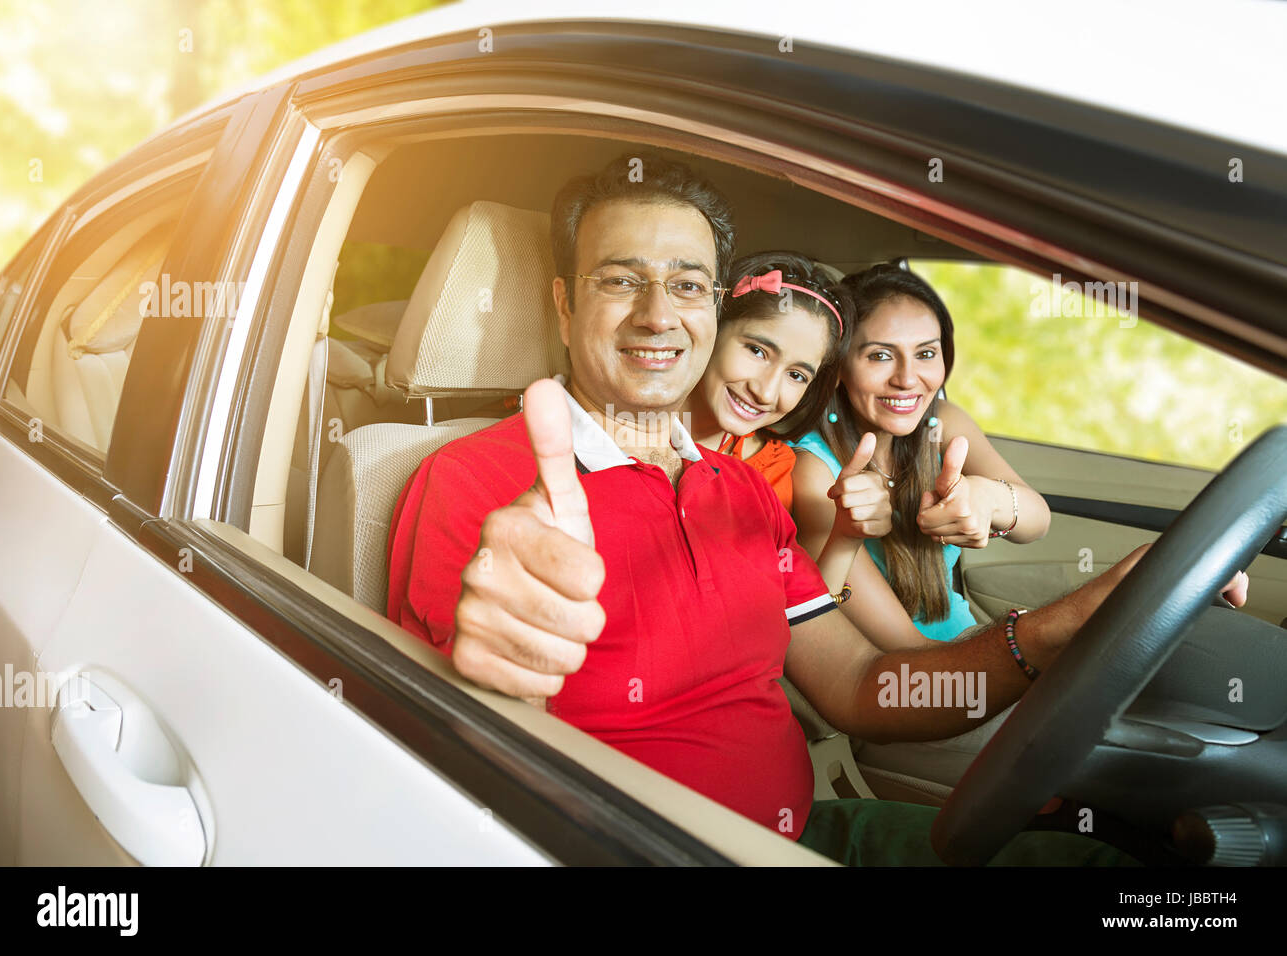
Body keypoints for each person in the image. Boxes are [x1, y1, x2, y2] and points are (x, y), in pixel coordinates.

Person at [386, 154, 1248, 865]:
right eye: (621, 280)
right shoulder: (477, 483)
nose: (658, 315)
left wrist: (1077, 618)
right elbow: (453, 764)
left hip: (819, 837)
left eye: (687, 287)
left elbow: (862, 689)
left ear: (712, 307)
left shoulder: (736, 492)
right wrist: (493, 674)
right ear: (567, 304)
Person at [792, 264, 1050, 650]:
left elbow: (1038, 522)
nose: (908, 379)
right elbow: (906, 648)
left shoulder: (943, 422)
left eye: (926, 353)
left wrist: (987, 498)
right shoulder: (812, 470)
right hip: (903, 678)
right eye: (880, 356)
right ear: (839, 365)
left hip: (964, 644)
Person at [682, 250, 891, 596]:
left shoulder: (772, 470)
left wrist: (846, 537)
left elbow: (797, 614)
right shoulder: (630, 425)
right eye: (757, 351)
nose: (766, 391)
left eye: (796, 375)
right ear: (713, 327)